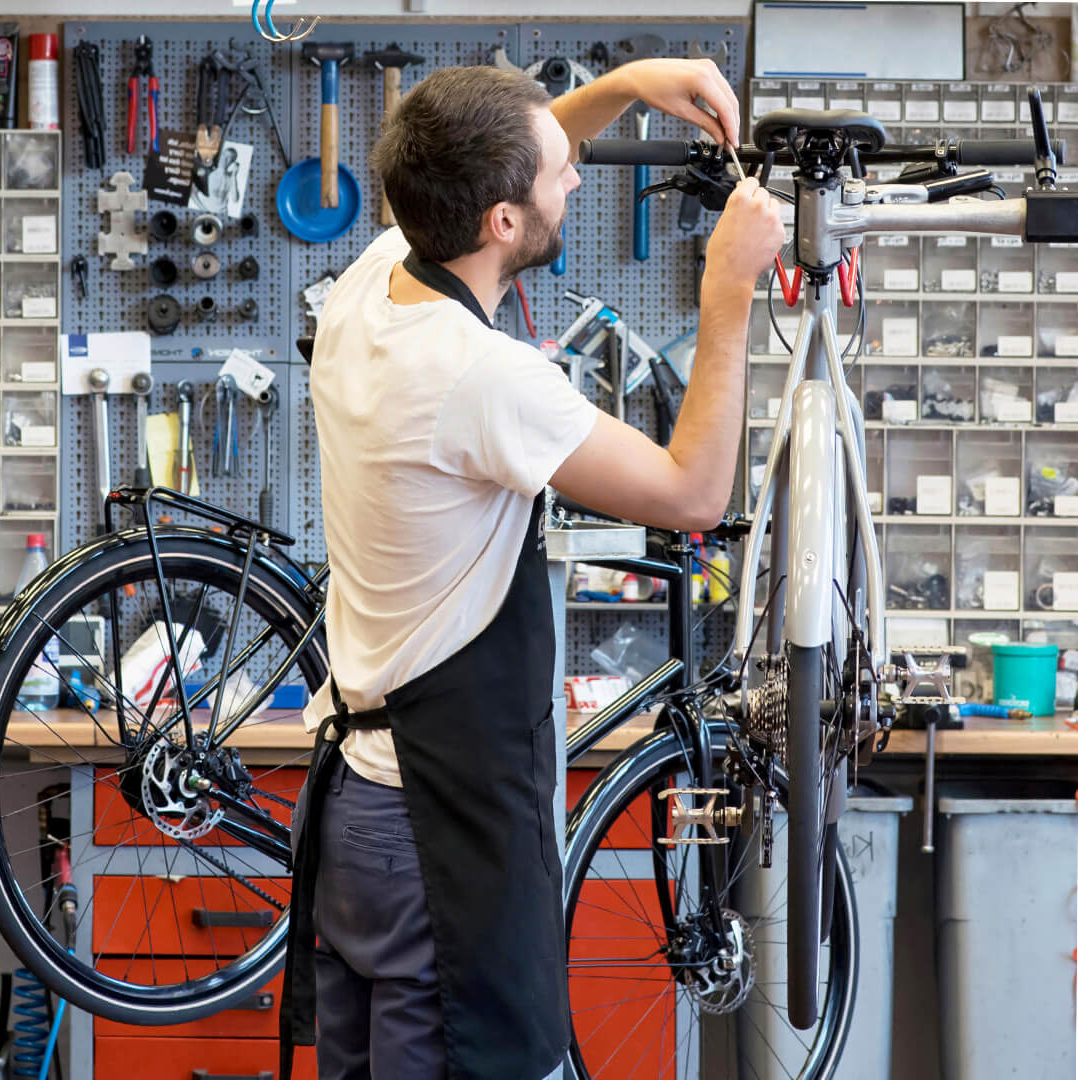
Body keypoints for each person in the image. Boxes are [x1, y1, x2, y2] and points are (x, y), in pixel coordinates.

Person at [275, 60, 789, 1080]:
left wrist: (635, 83)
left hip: (355, 810)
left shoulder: (373, 282)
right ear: (501, 222)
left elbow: (498, 157)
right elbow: (691, 493)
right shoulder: (485, 378)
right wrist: (726, 290)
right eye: (560, 173)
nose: (578, 178)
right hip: (433, 830)